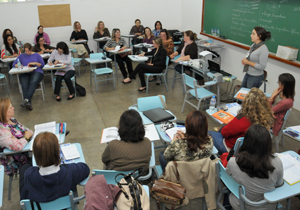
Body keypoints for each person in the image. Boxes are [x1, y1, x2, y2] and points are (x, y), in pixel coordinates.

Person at [19, 132, 90, 202]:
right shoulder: (70, 171)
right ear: (58, 152)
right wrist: (65, 166)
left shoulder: (29, 174)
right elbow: (85, 168)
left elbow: (25, 196)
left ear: (36, 155)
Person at [226, 124, 283, 210]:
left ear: (246, 141)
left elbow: (228, 177)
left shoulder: (233, 162)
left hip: (239, 205)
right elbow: (279, 184)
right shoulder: (277, 163)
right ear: (268, 144)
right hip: (267, 206)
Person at [209, 88, 274, 155]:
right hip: (250, 151)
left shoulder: (243, 119)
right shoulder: (266, 118)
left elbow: (224, 133)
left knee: (207, 134)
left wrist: (223, 128)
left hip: (231, 149)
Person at [0, 98, 32, 176]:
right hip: (18, 160)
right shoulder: (2, 131)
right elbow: (17, 146)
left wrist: (23, 138)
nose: (13, 108)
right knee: (46, 154)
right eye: (11, 107)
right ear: (4, 112)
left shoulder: (12, 120)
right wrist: (26, 137)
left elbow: (29, 131)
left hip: (27, 149)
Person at [12, 43, 45, 111]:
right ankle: (28, 103)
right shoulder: (21, 56)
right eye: (25, 51)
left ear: (31, 49)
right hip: (25, 72)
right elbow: (13, 64)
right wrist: (18, 65)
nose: (27, 53)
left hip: (36, 72)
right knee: (24, 85)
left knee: (33, 82)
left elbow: (42, 64)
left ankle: (26, 100)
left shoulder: (36, 55)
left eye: (28, 51)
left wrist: (35, 63)